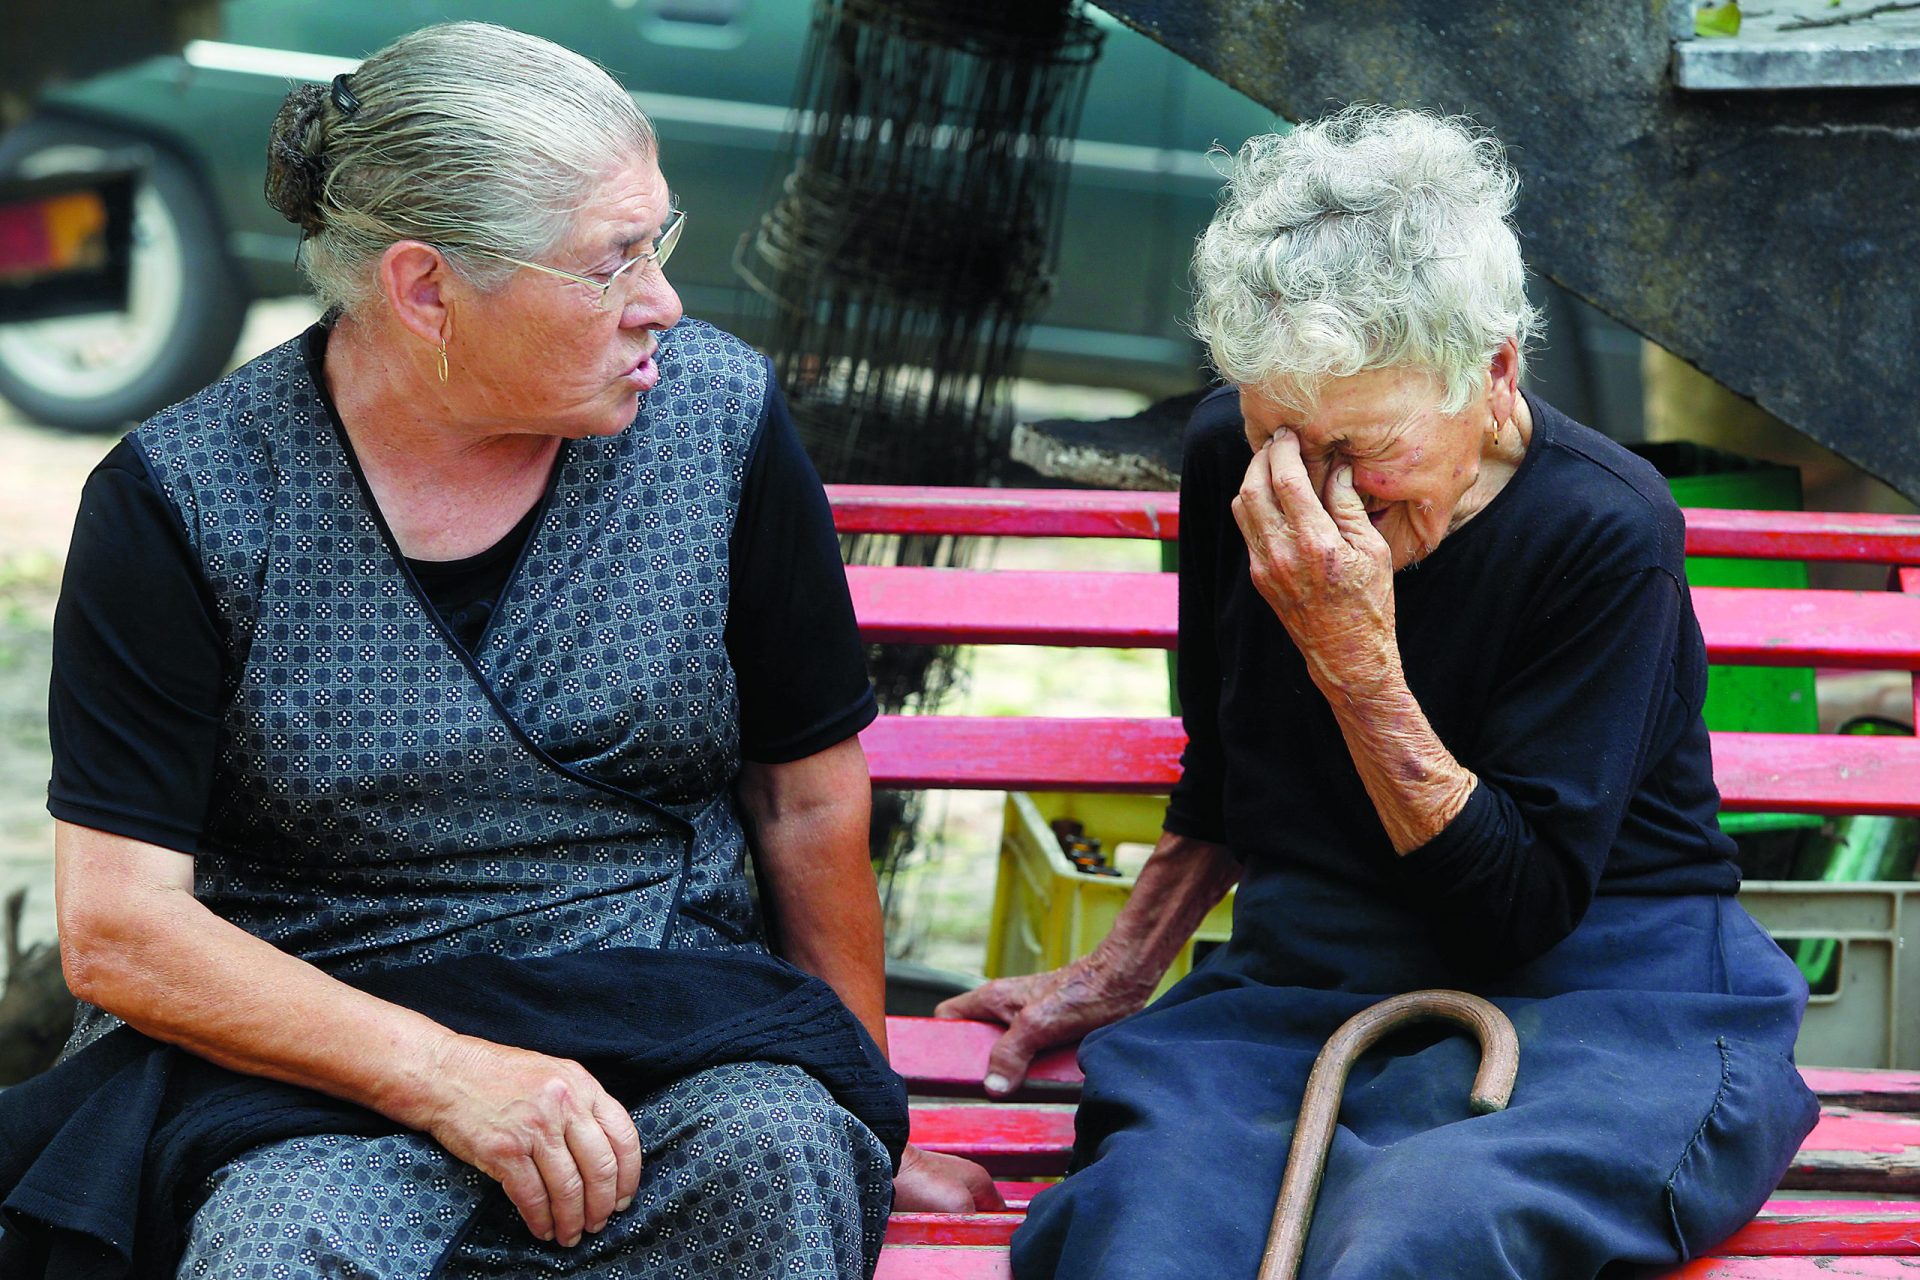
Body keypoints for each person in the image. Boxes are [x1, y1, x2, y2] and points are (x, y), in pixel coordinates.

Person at [2, 22, 995, 1280]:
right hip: (321, 1051)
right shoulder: (186, 501)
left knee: (777, 1154)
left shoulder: (714, 420)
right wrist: (449, 1076)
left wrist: (870, 1093)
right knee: (277, 1243)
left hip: (671, 1008)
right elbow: (122, 929)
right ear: (426, 289)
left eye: (660, 242)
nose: (662, 303)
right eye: (611, 262)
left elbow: (804, 795)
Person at [940, 105, 1821, 1279]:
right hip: (1309, 970)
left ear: (1495, 372)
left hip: (1605, 989)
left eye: (1361, 450)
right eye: (1279, 435)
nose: (1315, 494)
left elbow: (1517, 906)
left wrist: (1358, 662)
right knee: (1148, 1231)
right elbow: (1230, 752)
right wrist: (1120, 967)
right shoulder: (1233, 461)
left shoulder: (1604, 524)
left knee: (1422, 1234)